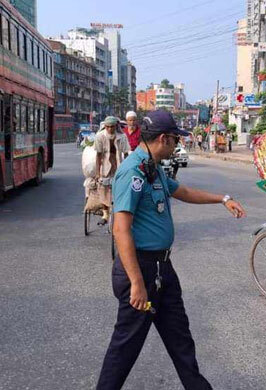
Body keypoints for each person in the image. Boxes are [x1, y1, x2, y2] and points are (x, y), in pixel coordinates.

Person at [97, 110, 246, 390]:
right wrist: (136, 285)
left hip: (162, 269)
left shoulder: (153, 167)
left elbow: (182, 192)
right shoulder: (133, 172)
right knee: (125, 347)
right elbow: (120, 230)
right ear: (163, 138)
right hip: (140, 271)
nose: (178, 145)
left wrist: (223, 198)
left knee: (180, 338)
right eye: (176, 139)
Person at [94, 116, 130, 225]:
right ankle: (105, 213)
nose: (110, 129)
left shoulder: (122, 137)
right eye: (108, 127)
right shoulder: (100, 136)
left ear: (116, 126)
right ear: (105, 126)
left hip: (118, 165)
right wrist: (97, 172)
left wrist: (127, 169)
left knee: (120, 187)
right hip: (105, 165)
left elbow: (126, 153)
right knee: (103, 187)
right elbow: (98, 155)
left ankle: (120, 211)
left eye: (112, 127)